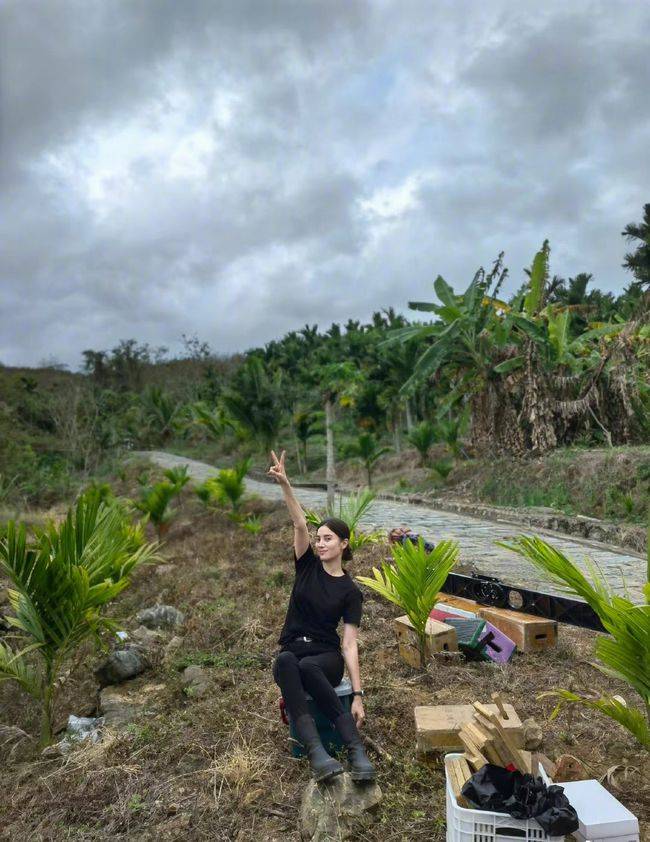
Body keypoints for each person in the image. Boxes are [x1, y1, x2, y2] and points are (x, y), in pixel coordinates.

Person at [268, 449, 376, 783]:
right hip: (294, 649)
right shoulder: (306, 566)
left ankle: (355, 750)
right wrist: (286, 484)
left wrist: (358, 695)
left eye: (328, 538)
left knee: (308, 667)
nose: (320, 543)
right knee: (286, 663)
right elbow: (299, 522)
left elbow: (349, 645)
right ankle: (318, 753)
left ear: (344, 544)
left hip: (326, 656)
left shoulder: (350, 591)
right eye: (318, 539)